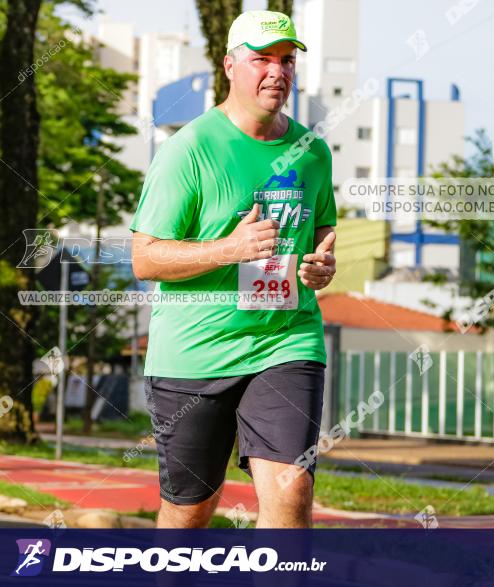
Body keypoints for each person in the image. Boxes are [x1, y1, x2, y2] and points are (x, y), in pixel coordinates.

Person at [130, 10, 337, 529]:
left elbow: (321, 228)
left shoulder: (312, 153)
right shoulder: (189, 150)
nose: (277, 72)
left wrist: (321, 263)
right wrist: (229, 249)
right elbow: (145, 256)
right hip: (195, 351)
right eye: (261, 59)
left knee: (291, 494)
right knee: (189, 512)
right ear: (229, 65)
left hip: (285, 340)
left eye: (287, 61)